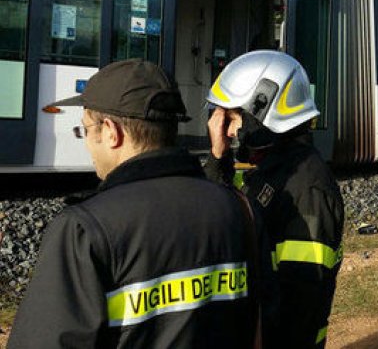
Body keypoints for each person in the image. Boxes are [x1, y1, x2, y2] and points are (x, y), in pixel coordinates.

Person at [9, 59, 265, 349]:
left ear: (111, 132)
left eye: (85, 130)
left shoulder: (84, 228)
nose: (88, 144)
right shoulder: (240, 210)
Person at [203, 50, 344, 348]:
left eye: (230, 118)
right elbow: (220, 217)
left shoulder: (308, 191)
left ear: (262, 112)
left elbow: (301, 302)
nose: (225, 131)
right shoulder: (269, 170)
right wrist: (218, 159)